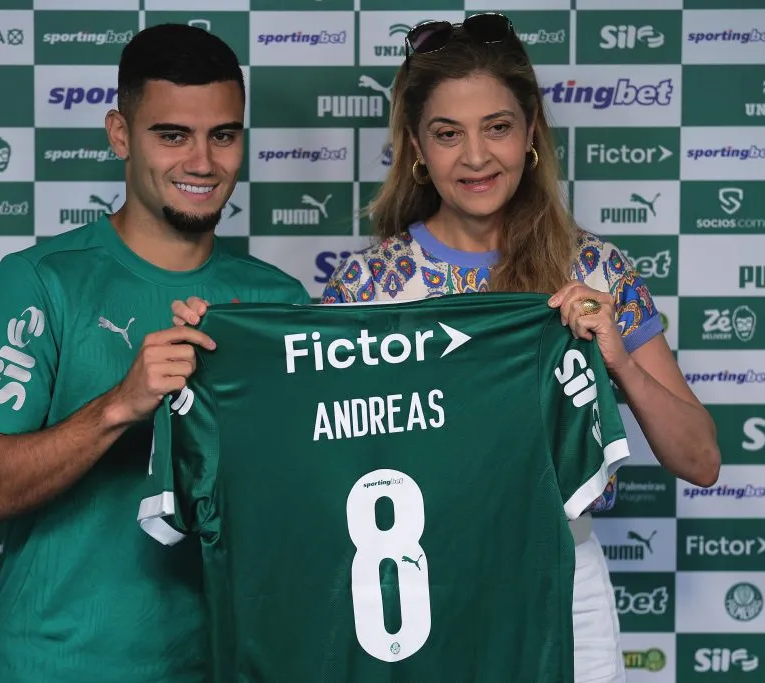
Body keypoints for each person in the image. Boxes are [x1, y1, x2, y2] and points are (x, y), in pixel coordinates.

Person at [171, 13, 720, 683]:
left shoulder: (596, 270)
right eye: (448, 134)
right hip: (421, 585)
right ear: (418, 148)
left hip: (561, 579)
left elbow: (701, 460)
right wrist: (232, 354)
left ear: (531, 132)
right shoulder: (366, 287)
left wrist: (620, 361)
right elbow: (311, 455)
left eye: (497, 127)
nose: (476, 157)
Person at [0, 23, 309, 683]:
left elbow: (303, 494)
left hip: (224, 663)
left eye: (223, 135)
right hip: (60, 665)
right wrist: (121, 403)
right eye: (172, 135)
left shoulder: (277, 300)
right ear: (120, 134)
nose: (202, 162)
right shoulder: (42, 280)